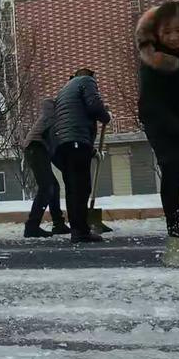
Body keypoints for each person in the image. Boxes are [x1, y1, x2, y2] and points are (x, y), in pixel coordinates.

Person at [136, 0, 179, 238]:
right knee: (172, 169)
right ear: (157, 32)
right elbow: (155, 107)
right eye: (167, 32)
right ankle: (176, 230)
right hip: (161, 121)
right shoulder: (153, 62)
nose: (173, 37)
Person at [52, 68, 111, 243]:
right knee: (81, 186)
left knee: (72, 187)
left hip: (63, 143)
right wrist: (106, 116)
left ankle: (77, 229)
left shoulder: (65, 88)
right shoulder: (87, 81)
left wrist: (91, 150)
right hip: (77, 140)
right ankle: (81, 231)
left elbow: (72, 116)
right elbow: (93, 105)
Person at [23, 98, 70, 238]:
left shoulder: (53, 119)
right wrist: (66, 169)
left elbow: (53, 150)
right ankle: (32, 226)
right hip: (35, 149)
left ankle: (58, 223)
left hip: (39, 150)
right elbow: (55, 147)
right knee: (47, 187)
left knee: (53, 186)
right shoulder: (51, 119)